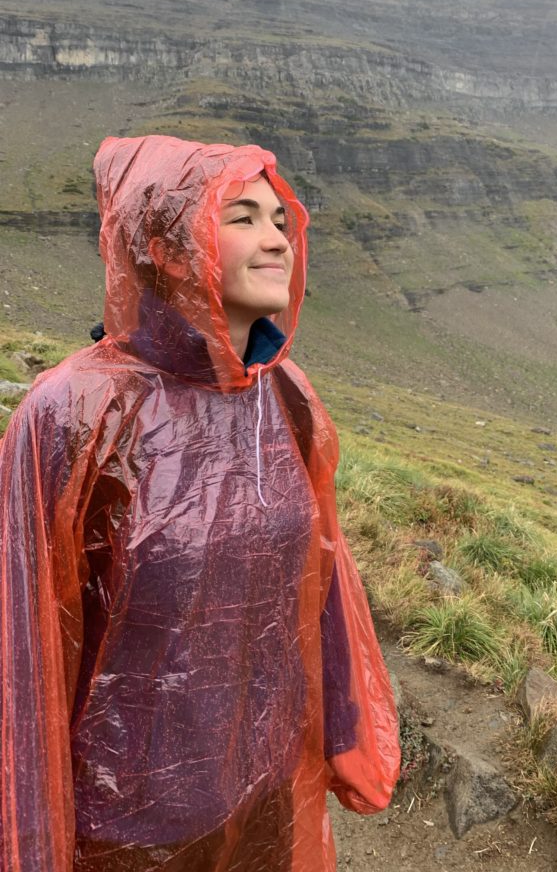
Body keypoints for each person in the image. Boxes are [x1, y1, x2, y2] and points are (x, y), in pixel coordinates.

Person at [0, 134, 400, 871]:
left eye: (281, 219)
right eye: (242, 217)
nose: (277, 238)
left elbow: (322, 576)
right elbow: (23, 643)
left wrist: (346, 731)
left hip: (268, 796)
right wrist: (29, 842)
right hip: (127, 831)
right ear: (168, 244)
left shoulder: (288, 399)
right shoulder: (77, 416)